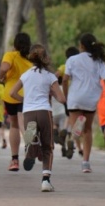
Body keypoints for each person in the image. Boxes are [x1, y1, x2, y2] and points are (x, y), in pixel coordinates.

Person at [10, 44, 65, 192]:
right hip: (44, 112)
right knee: (48, 147)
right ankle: (46, 181)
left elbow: (12, 93)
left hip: (28, 112)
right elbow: (61, 98)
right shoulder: (50, 76)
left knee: (31, 134)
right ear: (45, 58)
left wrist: (25, 100)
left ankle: (31, 143)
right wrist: (54, 93)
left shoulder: (26, 75)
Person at [62, 33, 105, 173]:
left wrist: (65, 96)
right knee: (88, 129)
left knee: (76, 124)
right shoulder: (99, 61)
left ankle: (73, 137)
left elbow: (65, 80)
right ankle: (85, 163)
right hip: (91, 98)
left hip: (75, 98)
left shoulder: (72, 59)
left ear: (81, 46)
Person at [0, 32, 33, 171]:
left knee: (14, 125)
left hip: (11, 94)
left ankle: (14, 160)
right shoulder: (31, 58)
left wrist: (1, 77)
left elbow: (4, 68)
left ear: (15, 44)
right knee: (25, 123)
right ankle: (29, 145)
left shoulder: (10, 55)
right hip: (29, 94)